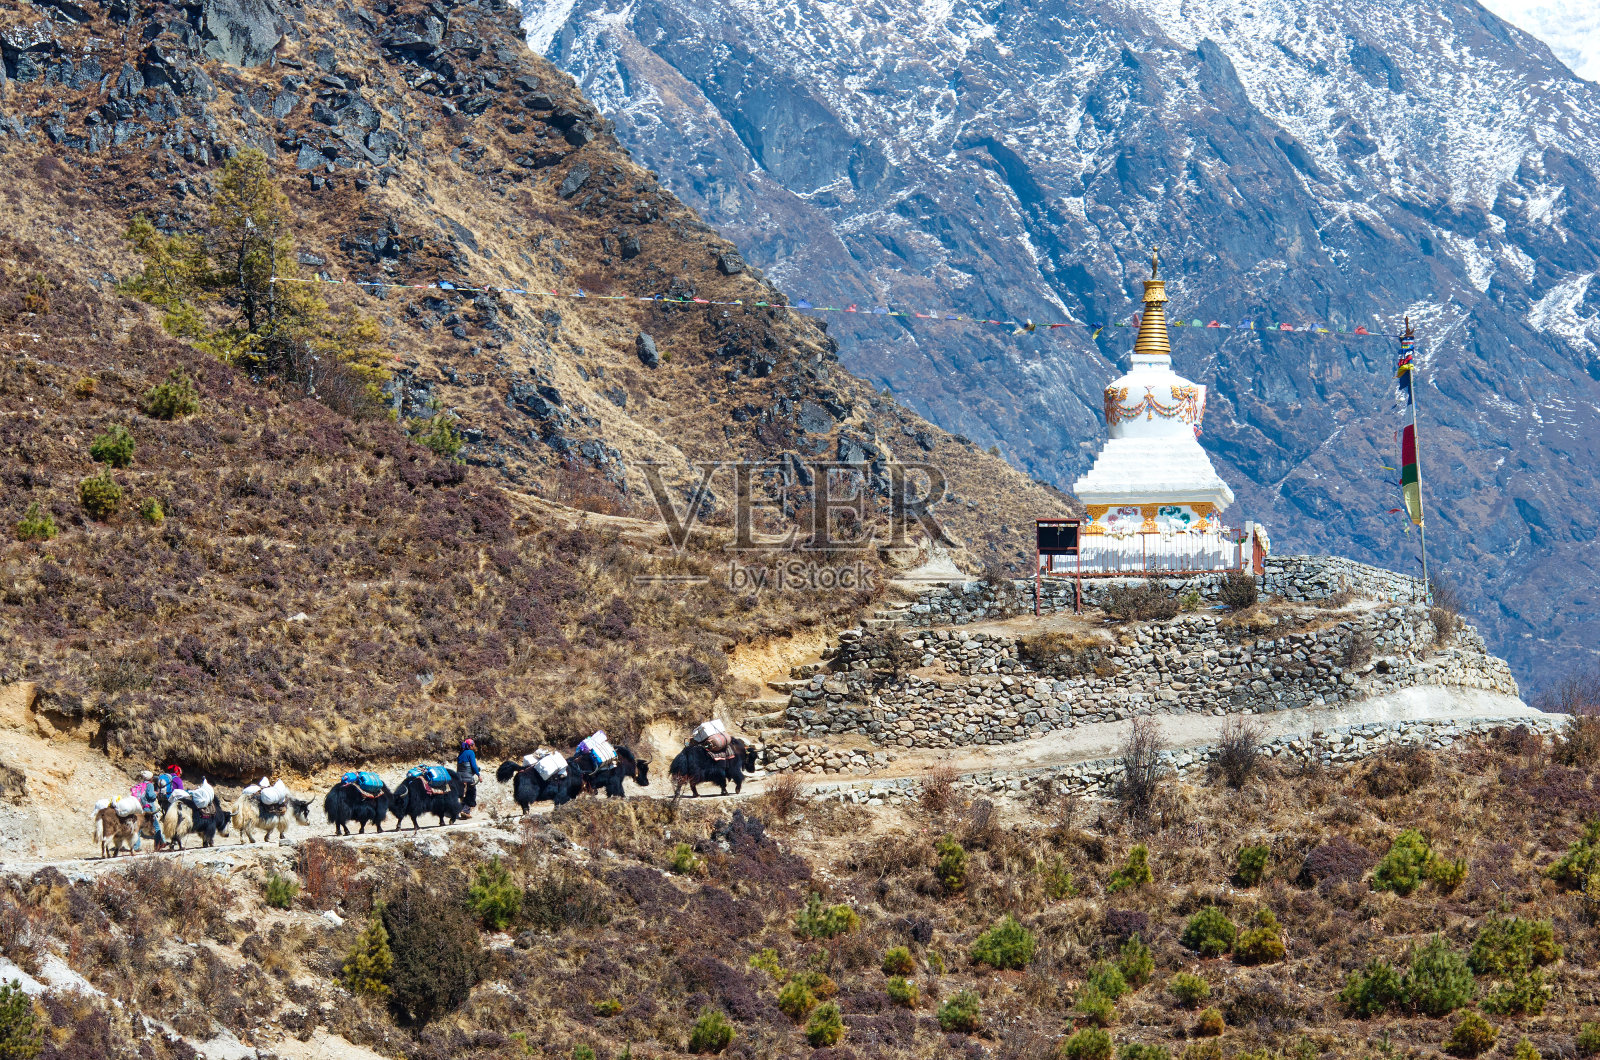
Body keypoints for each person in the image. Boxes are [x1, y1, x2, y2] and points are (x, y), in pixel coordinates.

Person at [134, 771, 166, 850]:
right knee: (156, 826)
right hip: (148, 809)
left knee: (138, 827)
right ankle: (158, 845)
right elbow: (150, 796)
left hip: (139, 808)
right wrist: (156, 793)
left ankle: (136, 846)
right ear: (150, 778)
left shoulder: (140, 784)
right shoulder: (150, 785)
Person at [457, 738, 481, 818]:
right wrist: (478, 775)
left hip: (459, 777)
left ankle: (463, 810)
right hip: (468, 777)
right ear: (471, 746)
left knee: (463, 794)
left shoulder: (461, 753)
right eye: (473, 744)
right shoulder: (470, 752)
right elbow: (473, 765)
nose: (474, 746)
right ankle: (465, 811)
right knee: (471, 793)